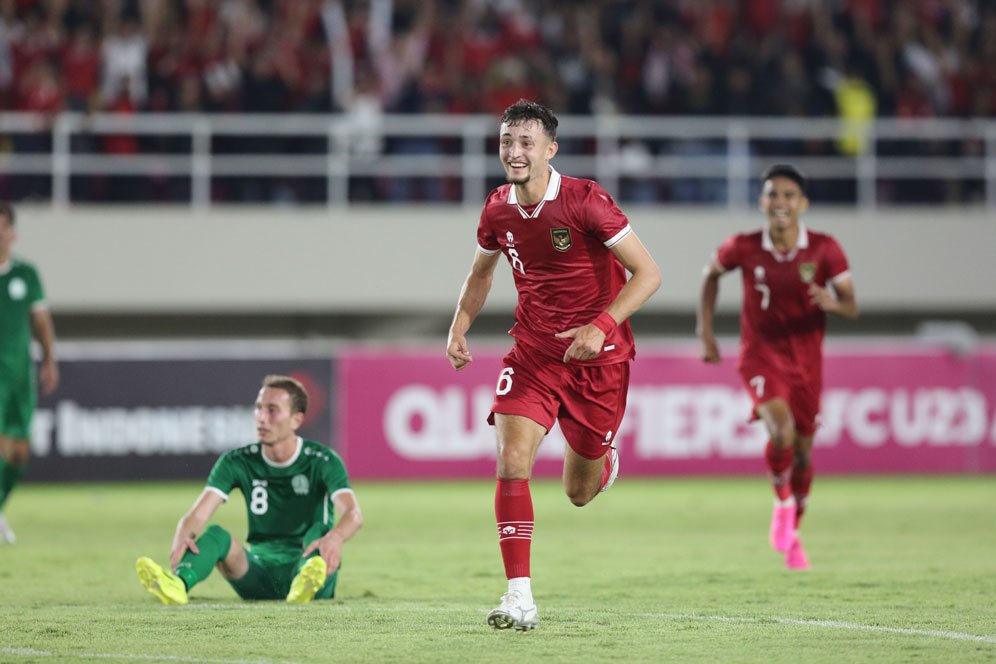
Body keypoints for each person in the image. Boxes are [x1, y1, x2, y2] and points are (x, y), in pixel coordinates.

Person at [446, 100, 661, 630]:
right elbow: (480, 275)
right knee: (512, 461)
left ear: (549, 151)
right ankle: (519, 596)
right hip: (534, 353)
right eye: (506, 142)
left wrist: (600, 327)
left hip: (598, 360)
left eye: (526, 143)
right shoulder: (496, 208)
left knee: (578, 493)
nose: (514, 152)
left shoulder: (586, 200)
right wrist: (459, 325)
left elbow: (649, 274)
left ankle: (603, 459)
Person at [696, 164, 858, 570]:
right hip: (760, 355)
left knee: (802, 454)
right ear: (762, 201)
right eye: (772, 194)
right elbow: (710, 275)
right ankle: (782, 502)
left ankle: (795, 531)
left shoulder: (824, 248)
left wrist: (831, 303)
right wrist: (706, 332)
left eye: (788, 195)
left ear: (802, 203)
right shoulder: (744, 246)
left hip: (806, 362)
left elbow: (851, 305)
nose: (780, 202)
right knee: (781, 429)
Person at [136, 375, 362, 604]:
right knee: (216, 535)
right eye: (258, 408)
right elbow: (198, 514)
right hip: (260, 574)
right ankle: (178, 584)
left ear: (296, 419)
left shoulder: (322, 460)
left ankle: (304, 583)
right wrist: (183, 536)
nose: (261, 418)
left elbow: (353, 513)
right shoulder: (236, 461)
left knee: (321, 531)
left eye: (272, 410)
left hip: (309, 562)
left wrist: (336, 537)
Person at [0, 202, 59, 544]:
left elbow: (40, 321)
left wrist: (50, 360)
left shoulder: (26, 274)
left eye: (2, 226)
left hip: (20, 374)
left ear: (13, 232)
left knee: (19, 453)